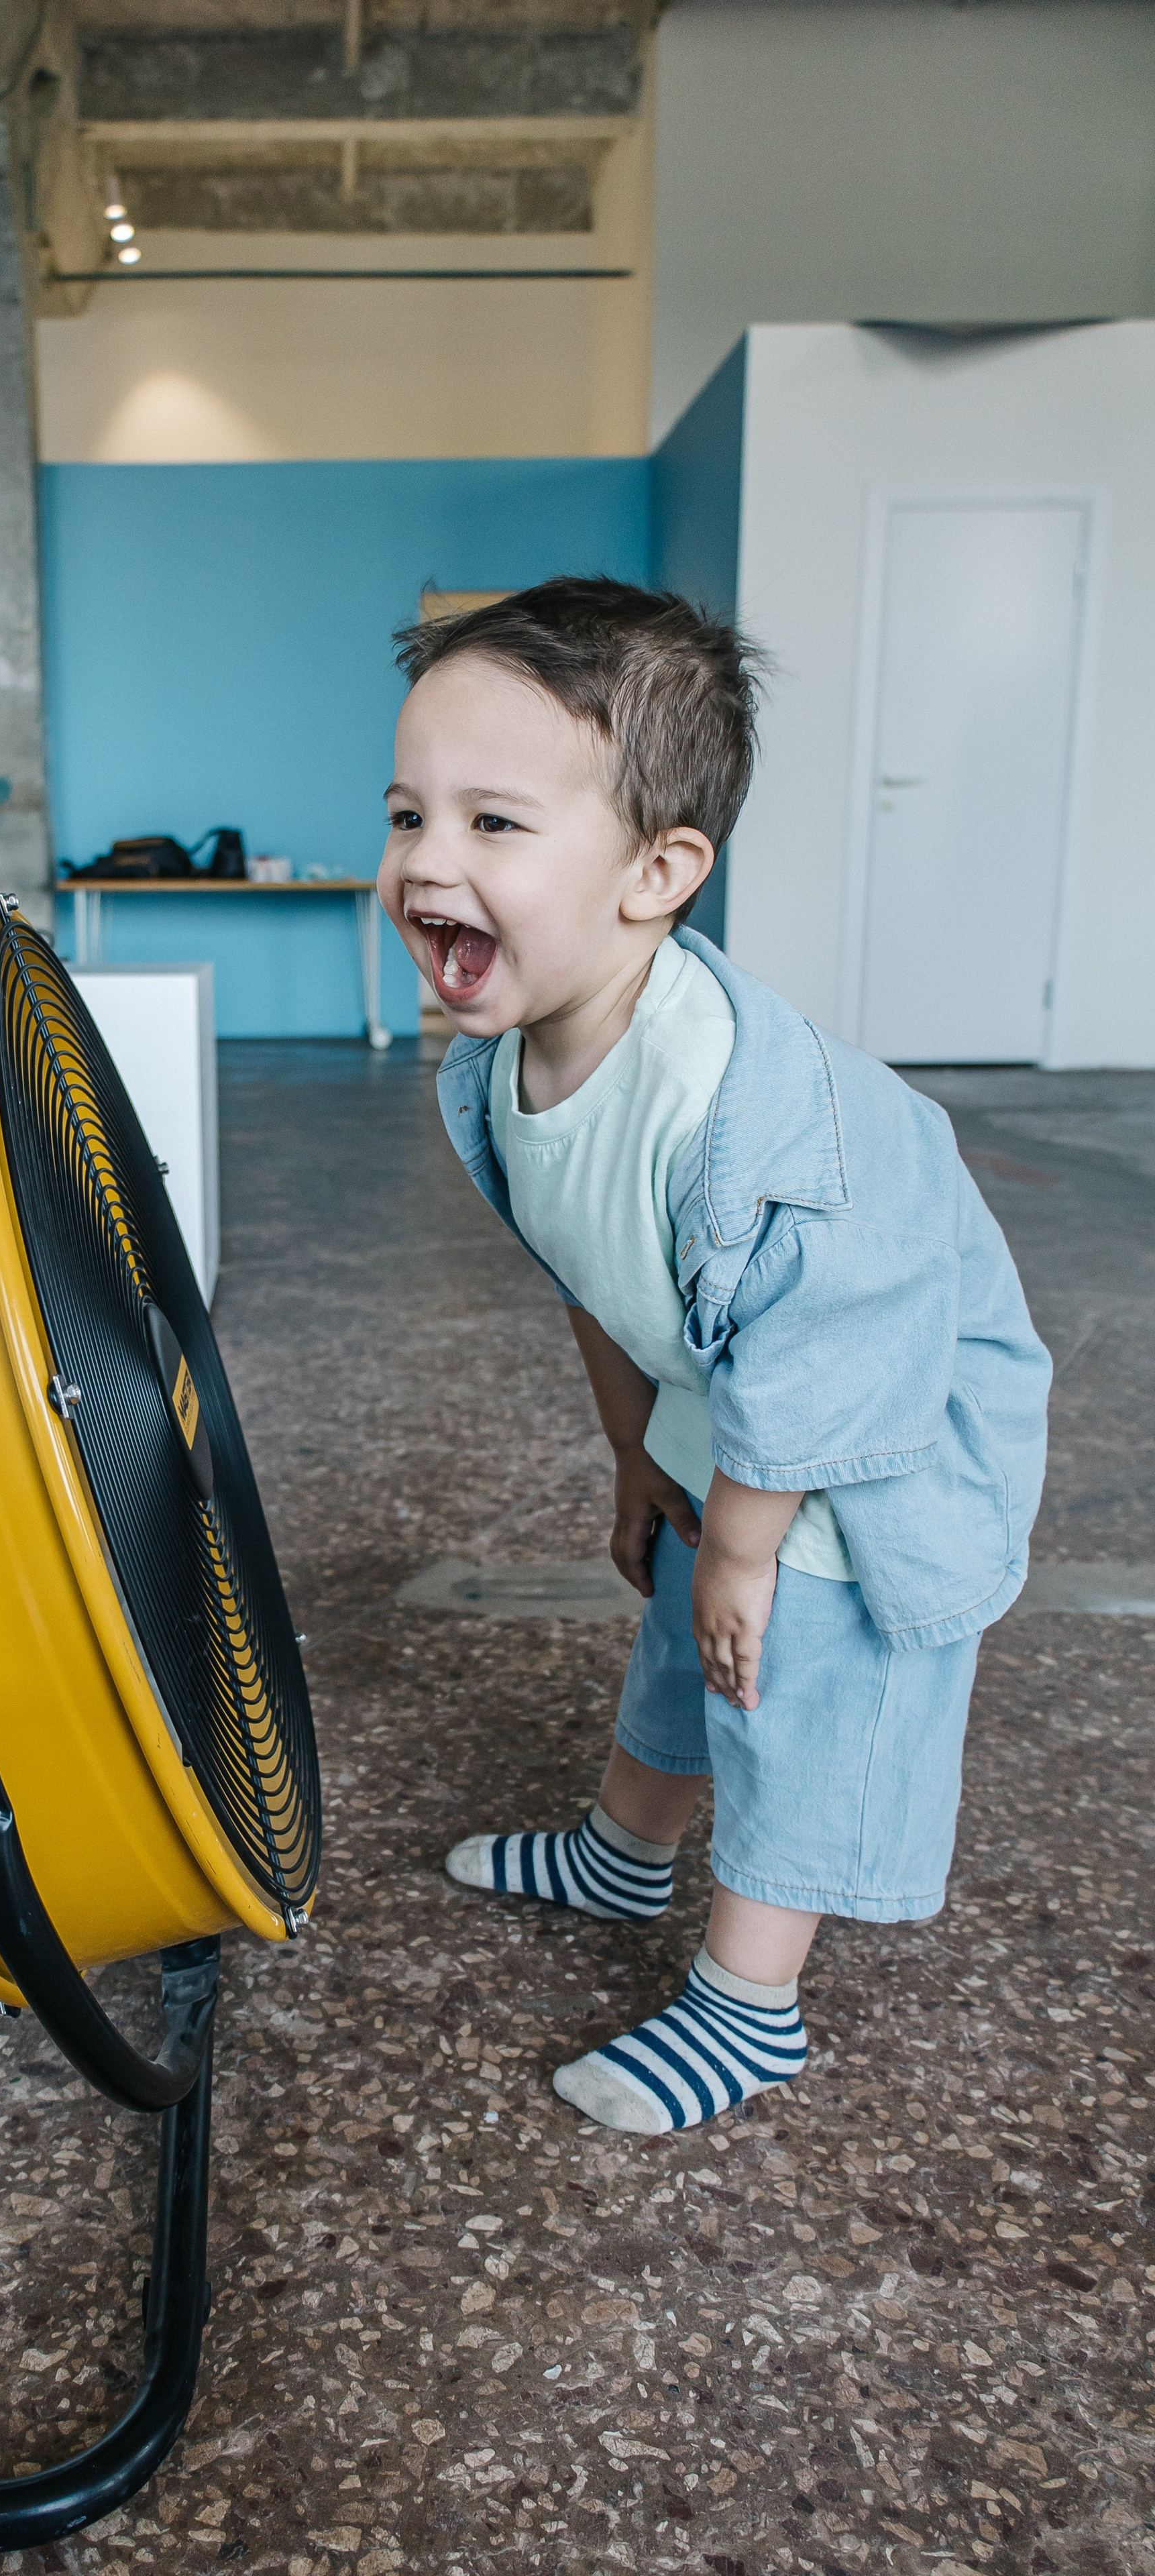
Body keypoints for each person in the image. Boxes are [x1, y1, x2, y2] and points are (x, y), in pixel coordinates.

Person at [379, 578, 1050, 2136]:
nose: (423, 862)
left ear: (657, 872)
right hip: (733, 1400)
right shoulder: (497, 1077)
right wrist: (638, 1460)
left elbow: (828, 1347)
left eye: (493, 825)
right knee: (680, 1622)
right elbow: (594, 1283)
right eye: (409, 812)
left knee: (788, 1681)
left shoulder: (744, 1123)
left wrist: (744, 1544)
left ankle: (750, 2010)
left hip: (867, 1426)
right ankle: (625, 1856)